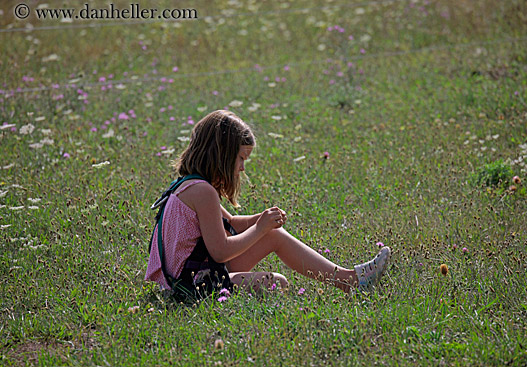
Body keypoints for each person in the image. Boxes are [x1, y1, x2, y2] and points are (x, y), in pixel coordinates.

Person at [145, 110, 391, 300]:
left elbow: (229, 223)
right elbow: (220, 251)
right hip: (190, 289)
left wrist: (260, 221)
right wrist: (259, 228)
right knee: (278, 283)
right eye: (240, 158)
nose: (242, 168)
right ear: (221, 154)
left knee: (274, 235)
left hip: (187, 278)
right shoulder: (203, 192)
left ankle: (350, 280)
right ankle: (351, 282)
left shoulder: (188, 185)